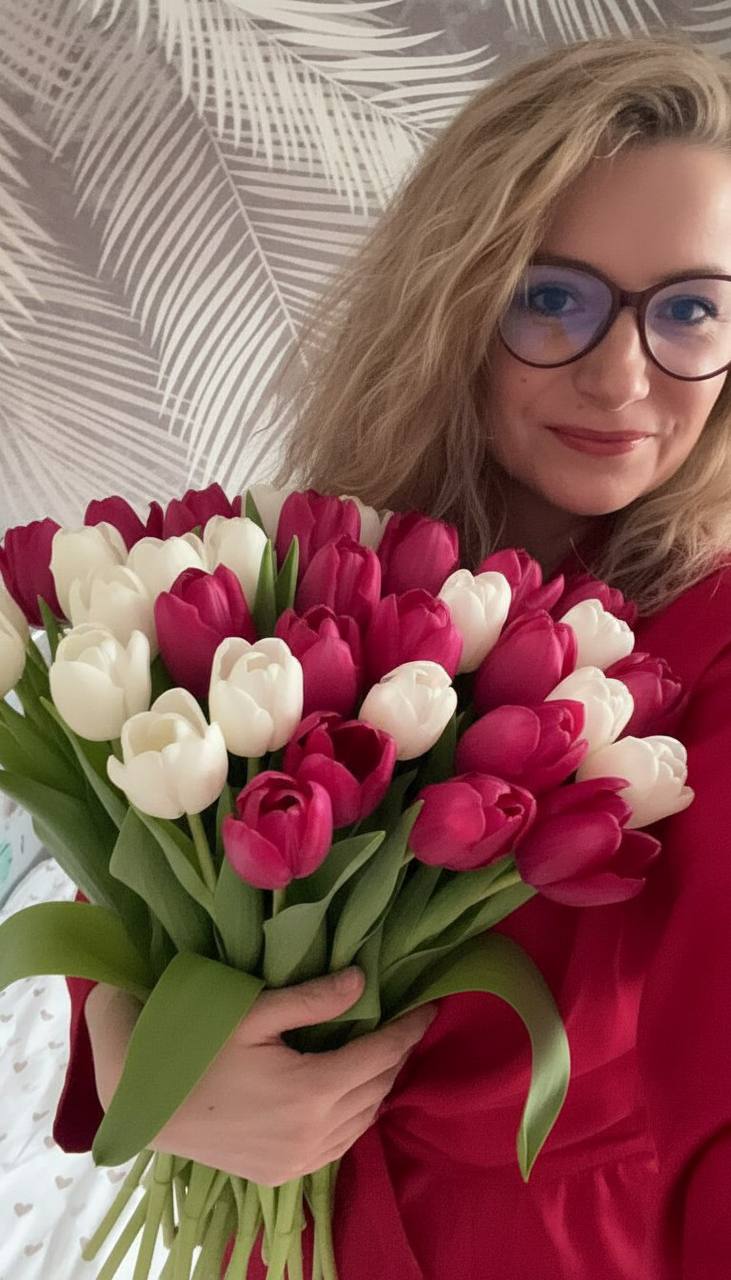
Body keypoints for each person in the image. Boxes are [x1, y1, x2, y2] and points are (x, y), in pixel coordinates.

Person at [53, 29, 731, 1280]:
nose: (620, 376)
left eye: (690, 310)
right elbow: (144, 864)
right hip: (265, 1238)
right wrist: (140, 1048)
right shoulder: (300, 565)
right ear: (454, 296)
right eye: (551, 297)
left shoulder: (715, 644)